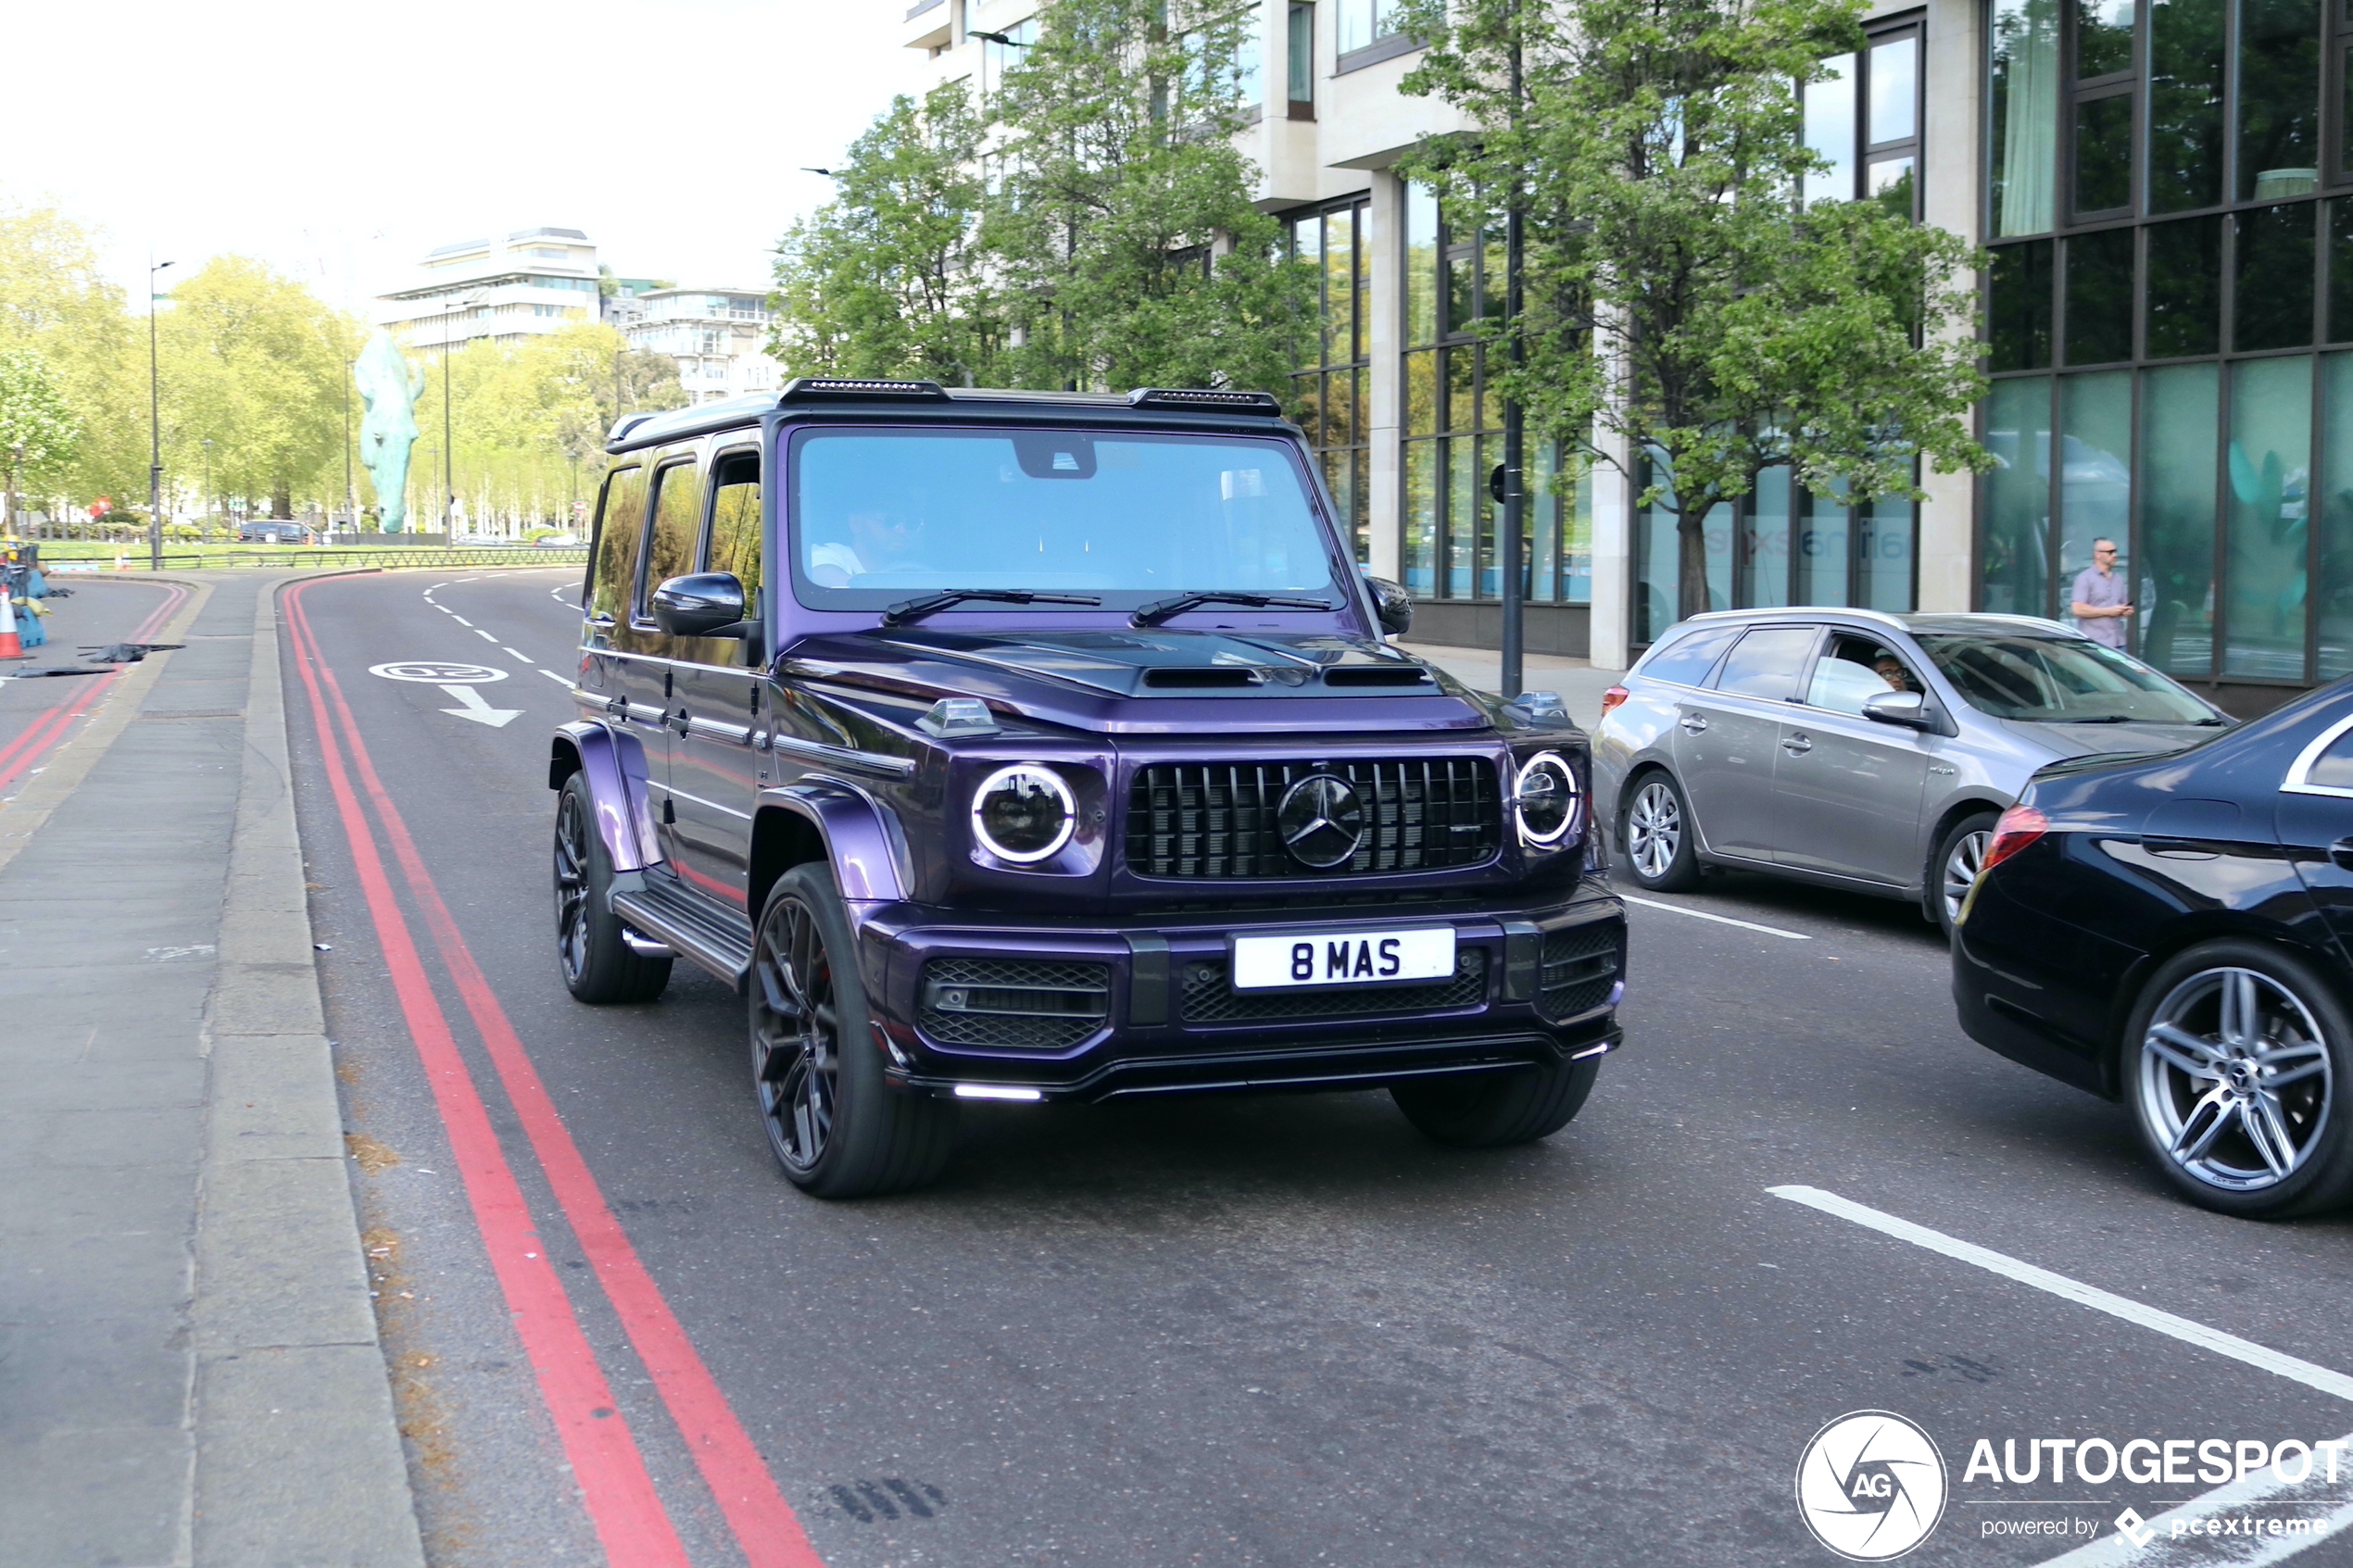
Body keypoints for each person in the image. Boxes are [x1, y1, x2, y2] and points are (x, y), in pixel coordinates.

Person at [2070, 537, 2133, 648]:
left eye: (2115, 551)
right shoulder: (2084, 578)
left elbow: (2123, 604)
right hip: (2095, 643)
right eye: (2110, 552)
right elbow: (2077, 609)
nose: (2115, 555)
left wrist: (2126, 610)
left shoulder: (2118, 579)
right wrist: (2108, 611)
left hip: (2119, 642)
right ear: (2097, 555)